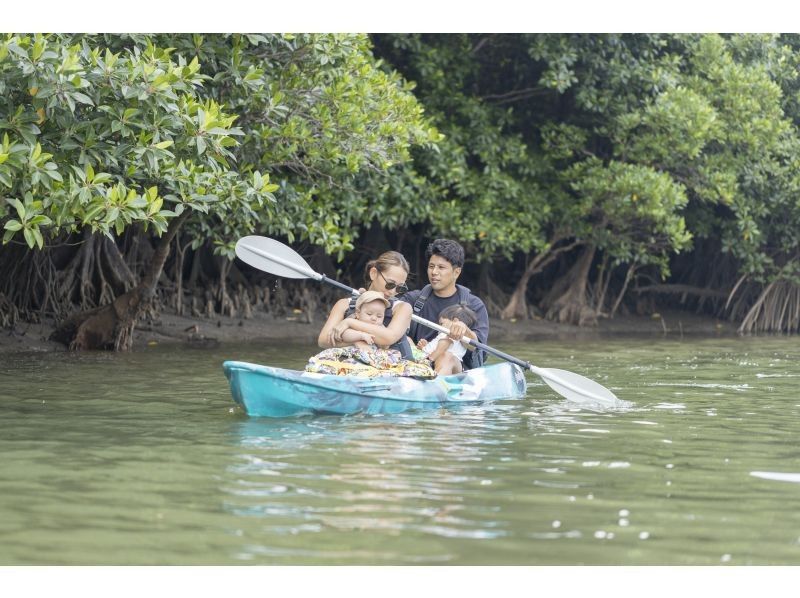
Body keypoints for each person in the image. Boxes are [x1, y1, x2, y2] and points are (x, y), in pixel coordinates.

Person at [401, 239, 489, 370]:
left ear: (456, 272)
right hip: (417, 363)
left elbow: (477, 348)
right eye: (431, 266)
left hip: (456, 369)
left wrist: (464, 331)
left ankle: (435, 380)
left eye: (441, 267)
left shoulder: (475, 305)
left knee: (446, 357)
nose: (434, 272)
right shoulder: (412, 299)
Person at [318, 250, 414, 359]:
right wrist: (356, 340)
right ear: (373, 273)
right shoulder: (344, 305)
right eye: (390, 284)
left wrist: (349, 322)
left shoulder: (403, 308)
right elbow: (323, 340)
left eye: (400, 288)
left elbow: (388, 337)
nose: (392, 291)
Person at [419, 304, 479, 375]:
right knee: (408, 339)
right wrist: (426, 347)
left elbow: (444, 345)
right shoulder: (444, 334)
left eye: (442, 323)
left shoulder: (452, 335)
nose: (439, 327)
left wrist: (428, 360)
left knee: (446, 356)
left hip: (436, 362)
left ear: (455, 321)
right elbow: (436, 347)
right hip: (426, 357)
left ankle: (438, 377)